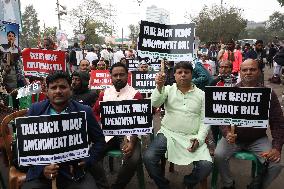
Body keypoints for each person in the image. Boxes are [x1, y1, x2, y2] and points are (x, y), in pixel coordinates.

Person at [21, 71, 105, 189]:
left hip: (75, 173)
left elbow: (100, 141)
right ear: (47, 91)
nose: (58, 91)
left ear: (70, 88)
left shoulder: (84, 111)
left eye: (62, 87)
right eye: (53, 88)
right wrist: (42, 168)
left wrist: (88, 160)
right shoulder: (35, 110)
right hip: (42, 175)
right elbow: (24, 147)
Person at [214, 59, 284, 189]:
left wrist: (276, 148)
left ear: (259, 72)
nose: (248, 72)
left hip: (258, 139)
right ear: (240, 72)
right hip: (233, 139)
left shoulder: (268, 94)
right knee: (219, 155)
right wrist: (227, 132)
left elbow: (278, 122)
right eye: (244, 70)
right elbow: (222, 118)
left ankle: (257, 185)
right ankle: (228, 184)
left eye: (252, 69)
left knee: (276, 164)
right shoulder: (231, 92)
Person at [144, 61, 213, 189]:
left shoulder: (202, 95)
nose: (183, 75)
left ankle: (188, 183)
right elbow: (155, 103)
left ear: (192, 75)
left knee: (207, 165)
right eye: (179, 72)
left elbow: (205, 120)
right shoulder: (168, 89)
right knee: (149, 157)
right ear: (174, 75)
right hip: (168, 134)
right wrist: (159, 87)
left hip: (192, 137)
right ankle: (164, 185)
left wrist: (199, 139)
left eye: (186, 72)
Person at [93, 62, 143, 189]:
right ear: (111, 76)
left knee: (133, 159)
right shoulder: (104, 94)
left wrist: (131, 142)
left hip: (128, 135)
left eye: (122, 74)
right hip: (107, 134)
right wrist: (100, 124)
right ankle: (103, 185)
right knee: (90, 156)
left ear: (128, 76)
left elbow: (139, 122)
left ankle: (118, 186)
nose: (118, 77)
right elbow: (95, 113)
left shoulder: (135, 95)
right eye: (115, 75)